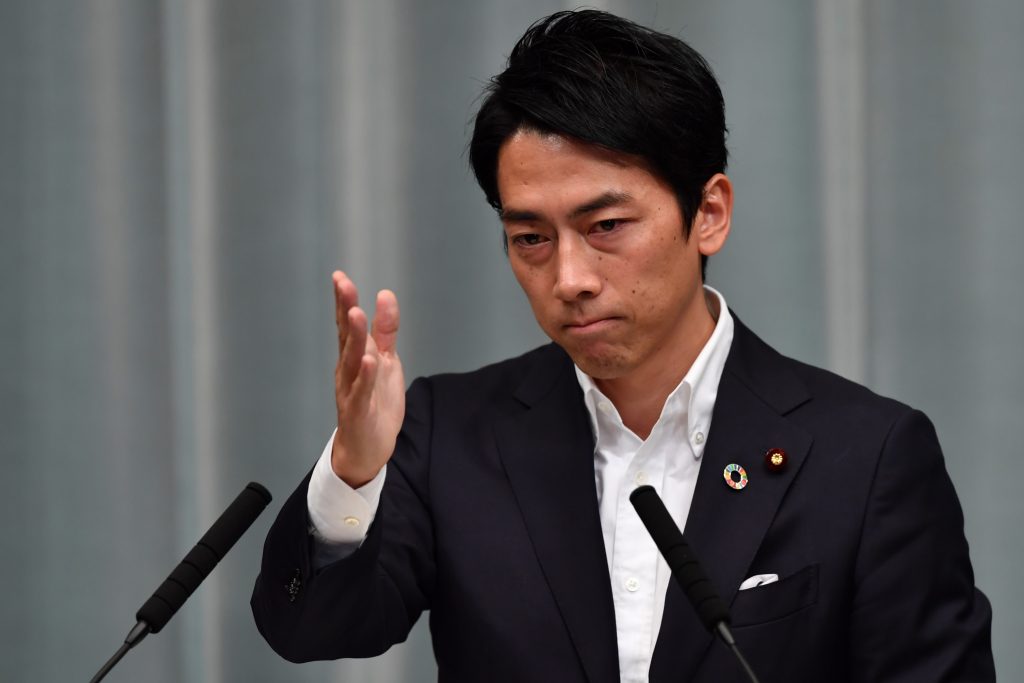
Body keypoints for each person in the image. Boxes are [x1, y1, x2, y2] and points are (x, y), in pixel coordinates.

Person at [252, 10, 994, 682]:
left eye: (606, 227)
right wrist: (352, 470)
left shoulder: (865, 455)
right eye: (531, 239)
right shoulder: (451, 431)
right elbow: (311, 628)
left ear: (708, 213)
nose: (569, 278)